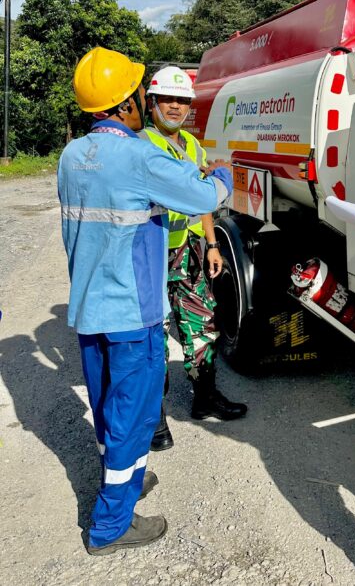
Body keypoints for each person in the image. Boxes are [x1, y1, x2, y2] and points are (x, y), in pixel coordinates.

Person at [58, 47, 233, 555]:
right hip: (133, 312)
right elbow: (205, 198)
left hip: (89, 308)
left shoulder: (71, 155)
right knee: (132, 415)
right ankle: (111, 525)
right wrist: (221, 174)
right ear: (128, 102)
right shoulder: (138, 155)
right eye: (141, 91)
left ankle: (126, 481)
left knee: (106, 407)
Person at [140, 66, 247, 453]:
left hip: (190, 250)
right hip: (153, 251)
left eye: (183, 100)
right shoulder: (143, 145)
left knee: (201, 323)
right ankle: (154, 419)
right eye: (168, 99)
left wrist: (212, 242)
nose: (175, 107)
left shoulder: (191, 144)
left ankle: (205, 398)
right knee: (154, 334)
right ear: (152, 102)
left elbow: (202, 197)